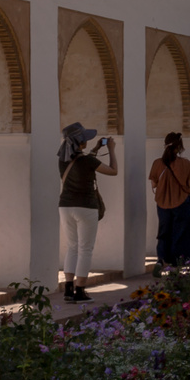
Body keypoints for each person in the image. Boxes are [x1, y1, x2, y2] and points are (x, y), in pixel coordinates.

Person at [57, 121, 116, 302]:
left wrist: (96, 149)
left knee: (72, 247)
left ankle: (68, 289)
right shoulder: (89, 161)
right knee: (85, 249)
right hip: (86, 207)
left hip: (65, 206)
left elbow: (81, 162)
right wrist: (111, 150)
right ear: (80, 142)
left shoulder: (63, 160)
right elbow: (113, 171)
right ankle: (80, 290)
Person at [148, 133, 190, 266]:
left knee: (164, 231)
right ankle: (180, 261)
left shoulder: (157, 163)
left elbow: (153, 184)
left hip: (162, 203)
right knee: (182, 232)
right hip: (182, 202)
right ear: (179, 147)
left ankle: (162, 259)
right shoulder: (185, 163)